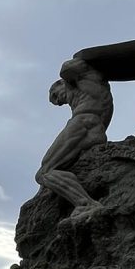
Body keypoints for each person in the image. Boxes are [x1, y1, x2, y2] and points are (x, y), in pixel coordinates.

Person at [34, 57, 113, 216]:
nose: (59, 102)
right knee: (53, 169)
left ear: (61, 83)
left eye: (55, 96)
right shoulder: (96, 85)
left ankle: (85, 204)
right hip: (97, 129)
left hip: (82, 123)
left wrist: (66, 75)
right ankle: (58, 190)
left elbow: (69, 66)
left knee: (44, 172)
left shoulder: (77, 79)